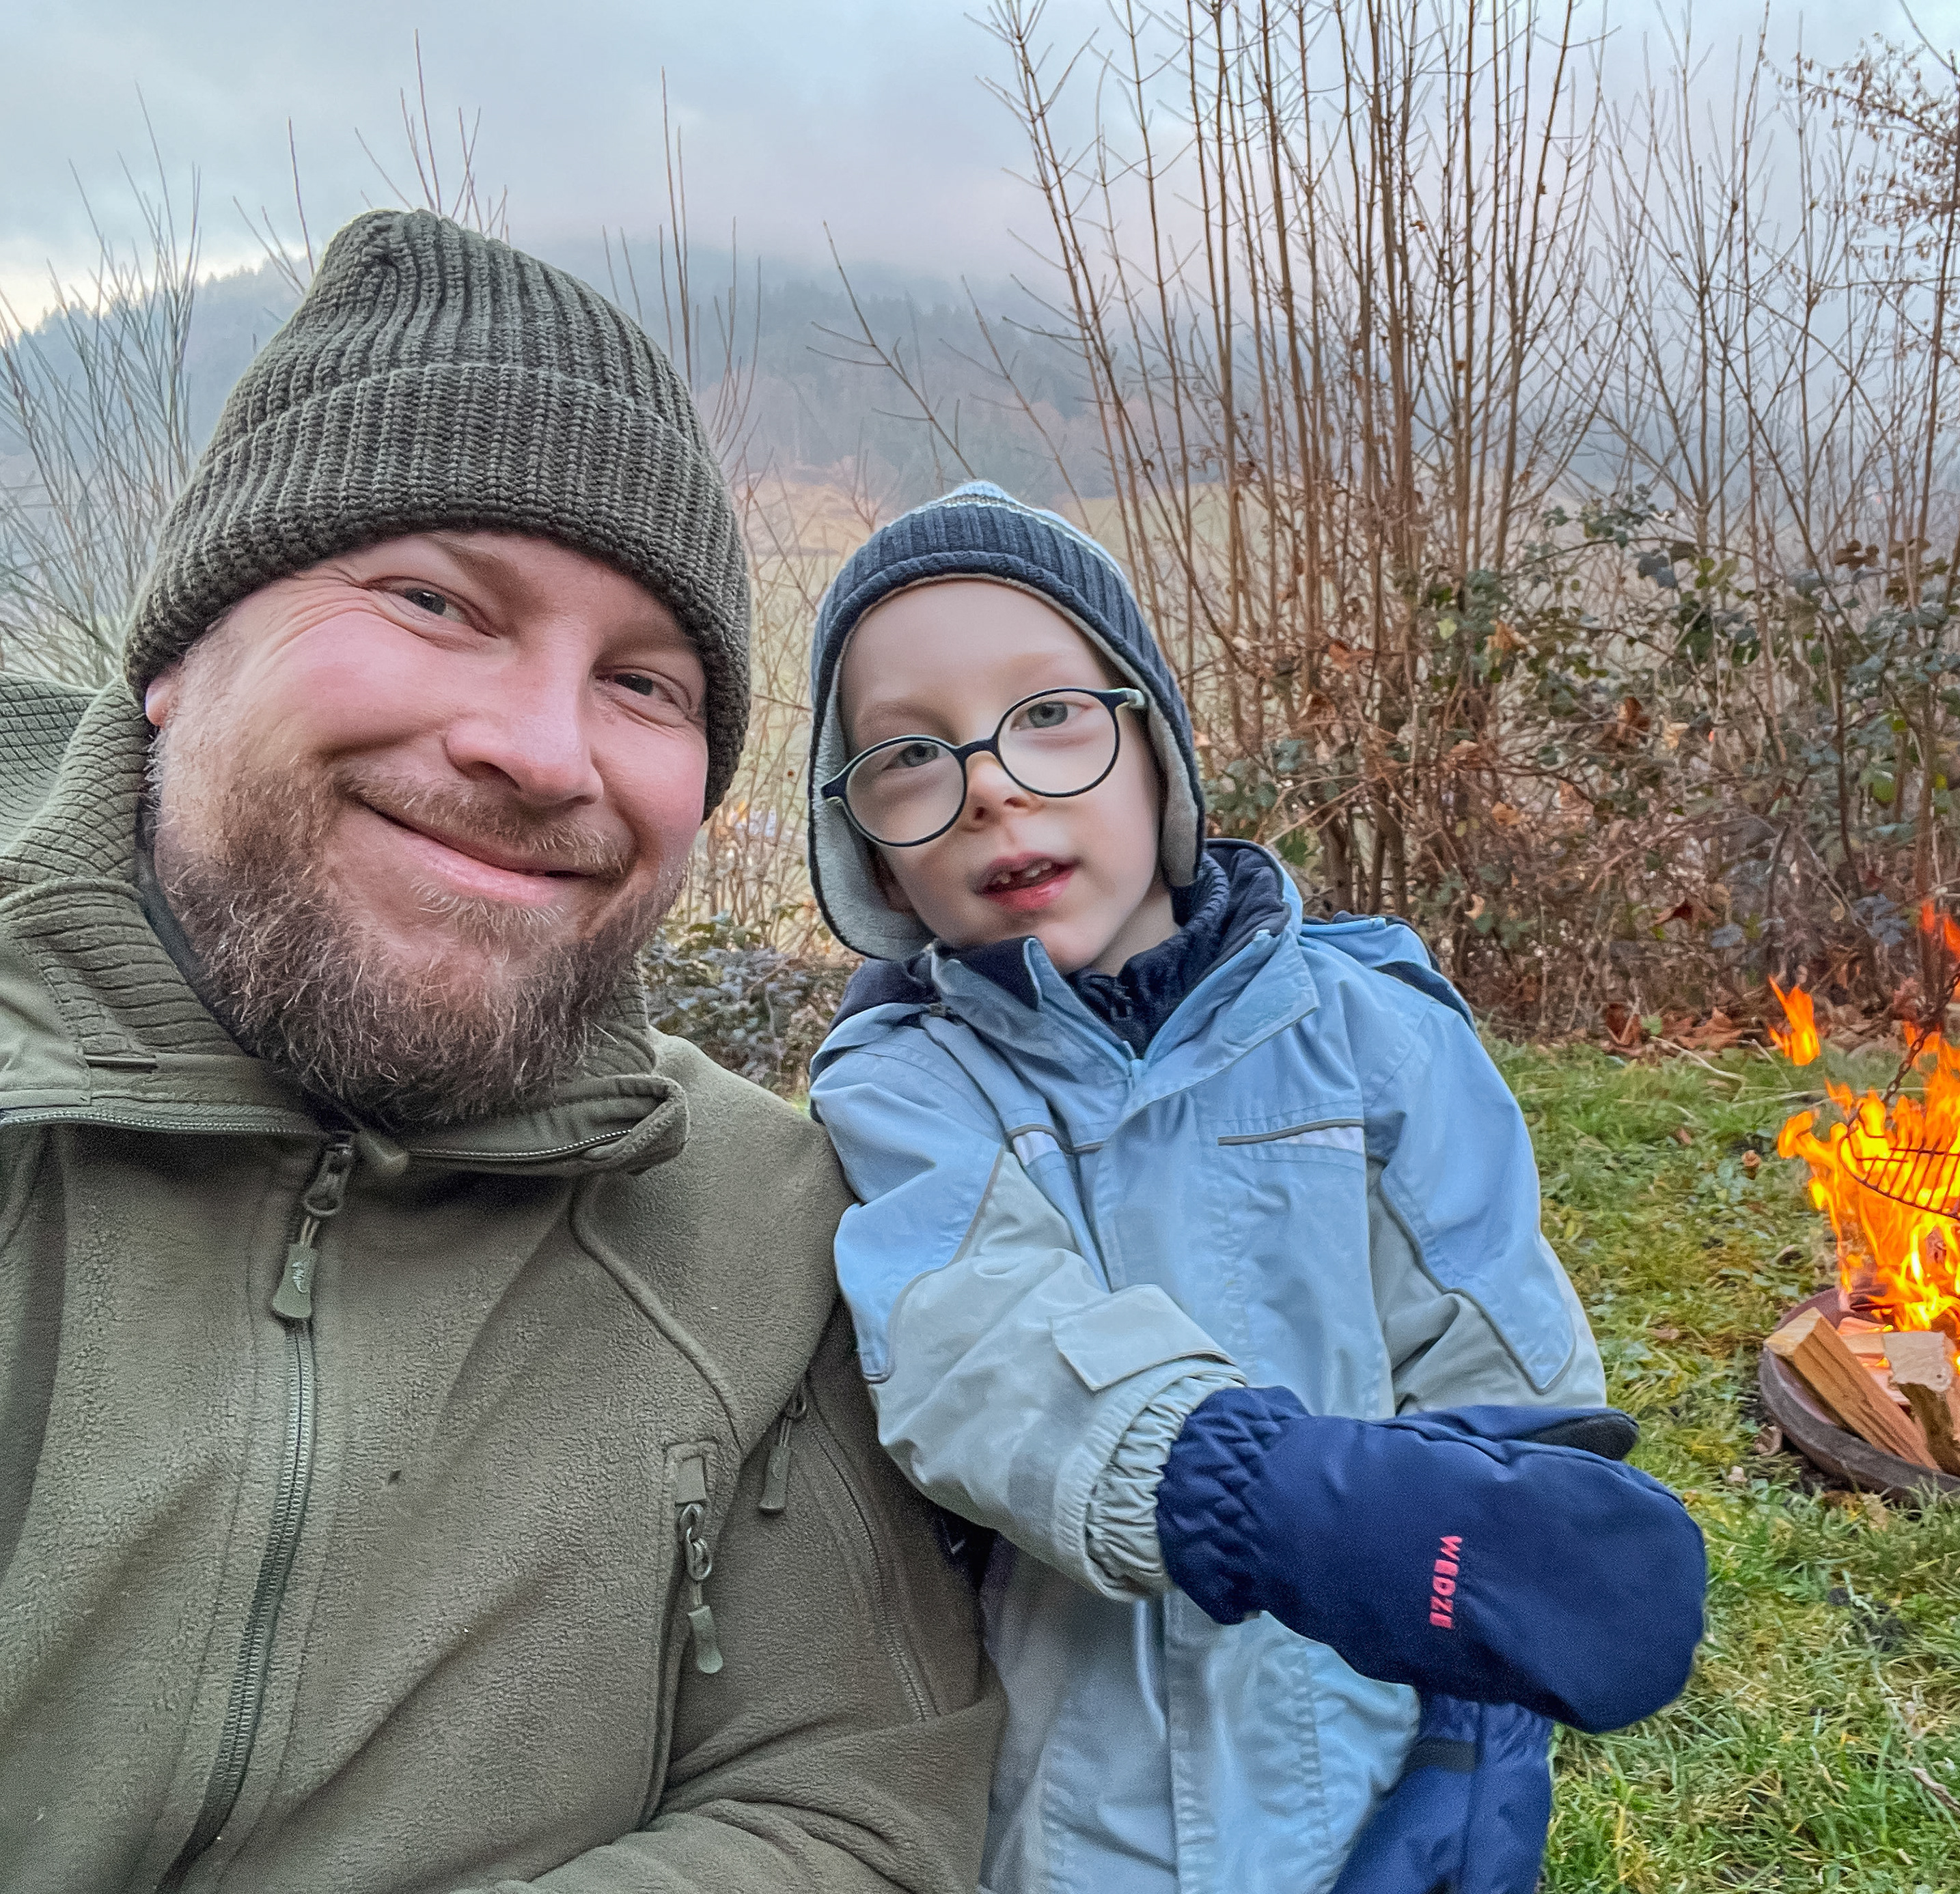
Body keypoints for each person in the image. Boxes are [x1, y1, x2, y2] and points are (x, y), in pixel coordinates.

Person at [0, 211, 1000, 1891]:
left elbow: (854, 1811)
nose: (544, 753)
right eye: (435, 599)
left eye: (646, 681)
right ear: (180, 652)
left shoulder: (761, 1227)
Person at [803, 483, 1708, 1894]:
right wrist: (1251, 1491)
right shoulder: (901, 1086)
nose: (988, 783)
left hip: (1352, 1762)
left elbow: (1506, 1380)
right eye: (910, 755)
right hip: (1055, 1826)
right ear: (869, 849)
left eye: (1049, 714)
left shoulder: (1380, 1037)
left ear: (1155, 746)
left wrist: (1481, 1731)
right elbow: (975, 1348)